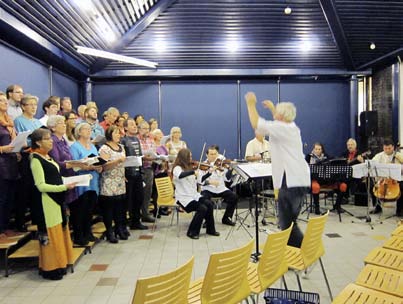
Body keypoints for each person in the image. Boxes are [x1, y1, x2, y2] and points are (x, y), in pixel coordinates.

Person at [245, 92, 310, 247]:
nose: (275, 116)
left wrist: (250, 104)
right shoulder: (291, 127)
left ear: (282, 116)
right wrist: (273, 108)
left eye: (277, 114)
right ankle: (293, 254)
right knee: (289, 222)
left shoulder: (282, 128)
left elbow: (256, 123)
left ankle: (301, 253)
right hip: (300, 180)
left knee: (286, 225)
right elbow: (279, 120)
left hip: (290, 181)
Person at [29, 128, 76, 280]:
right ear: (38, 142)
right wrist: (63, 187)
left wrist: (66, 182)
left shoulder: (47, 157)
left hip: (57, 199)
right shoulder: (35, 159)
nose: (51, 141)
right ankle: (51, 268)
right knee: (51, 234)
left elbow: (54, 177)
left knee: (59, 232)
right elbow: (41, 185)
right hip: (46, 202)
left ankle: (61, 263)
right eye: (47, 138)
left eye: (50, 138)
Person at [172, 148, 219, 239]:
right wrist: (193, 172)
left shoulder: (191, 167)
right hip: (183, 198)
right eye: (189, 156)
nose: (191, 158)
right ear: (184, 157)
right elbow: (180, 175)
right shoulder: (177, 168)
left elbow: (200, 180)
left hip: (193, 195)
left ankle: (210, 229)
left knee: (209, 204)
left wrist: (210, 172)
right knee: (202, 208)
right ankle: (192, 232)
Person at [70, 123, 102, 245]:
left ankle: (88, 232)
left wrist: (99, 167)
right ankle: (79, 235)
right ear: (79, 132)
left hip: (93, 179)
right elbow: (75, 164)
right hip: (82, 181)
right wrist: (88, 166)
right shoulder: (75, 147)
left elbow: (97, 159)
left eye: (90, 129)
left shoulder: (92, 146)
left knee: (90, 209)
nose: (89, 131)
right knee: (80, 210)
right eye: (86, 129)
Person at [99, 126, 128, 243]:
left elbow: (124, 163)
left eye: (119, 133)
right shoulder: (104, 148)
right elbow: (104, 167)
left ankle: (119, 229)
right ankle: (109, 232)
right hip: (109, 180)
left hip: (120, 180)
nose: (118, 135)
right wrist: (117, 161)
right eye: (116, 133)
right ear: (109, 134)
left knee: (120, 208)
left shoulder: (121, 147)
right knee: (109, 209)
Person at [198, 145, 237, 226]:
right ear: (207, 155)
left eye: (215, 154)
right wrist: (209, 180)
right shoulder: (203, 165)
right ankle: (207, 220)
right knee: (205, 199)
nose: (213, 156)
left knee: (233, 197)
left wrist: (230, 169)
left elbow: (227, 179)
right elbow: (200, 181)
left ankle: (226, 218)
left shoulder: (221, 164)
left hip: (220, 188)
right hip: (208, 189)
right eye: (211, 154)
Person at [121, 118, 148, 230]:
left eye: (134, 124)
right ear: (126, 127)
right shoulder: (123, 141)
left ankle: (136, 221)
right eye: (131, 125)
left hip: (138, 172)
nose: (134, 126)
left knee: (139, 198)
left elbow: (139, 156)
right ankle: (129, 221)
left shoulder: (136, 140)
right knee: (129, 200)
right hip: (129, 173)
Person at [0, 91, 19, 238]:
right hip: (1, 165)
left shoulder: (9, 120)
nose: (5, 104)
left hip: (12, 163)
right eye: (2, 101)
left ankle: (5, 226)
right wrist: (3, 148)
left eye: (6, 101)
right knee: (2, 197)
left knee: (10, 198)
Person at [370, 138, 403, 217]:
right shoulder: (379, 156)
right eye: (385, 148)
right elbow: (372, 165)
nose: (387, 150)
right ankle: (378, 207)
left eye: (389, 148)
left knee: (402, 186)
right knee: (371, 185)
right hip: (382, 179)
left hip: (395, 180)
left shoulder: (399, 155)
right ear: (383, 148)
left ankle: (400, 209)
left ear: (393, 147)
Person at [137, 121, 157, 223]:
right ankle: (136, 215)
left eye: (148, 129)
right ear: (139, 129)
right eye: (144, 129)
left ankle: (145, 213)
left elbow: (153, 152)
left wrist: (154, 157)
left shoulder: (151, 140)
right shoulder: (136, 140)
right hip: (139, 169)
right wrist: (145, 156)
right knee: (138, 193)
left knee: (148, 192)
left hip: (149, 168)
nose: (147, 131)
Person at [305, 142, 329, 214]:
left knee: (342, 184)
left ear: (322, 150)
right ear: (313, 149)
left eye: (319, 149)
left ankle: (337, 206)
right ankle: (317, 208)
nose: (317, 151)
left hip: (324, 179)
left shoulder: (326, 157)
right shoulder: (309, 157)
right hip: (313, 178)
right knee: (315, 187)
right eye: (316, 149)